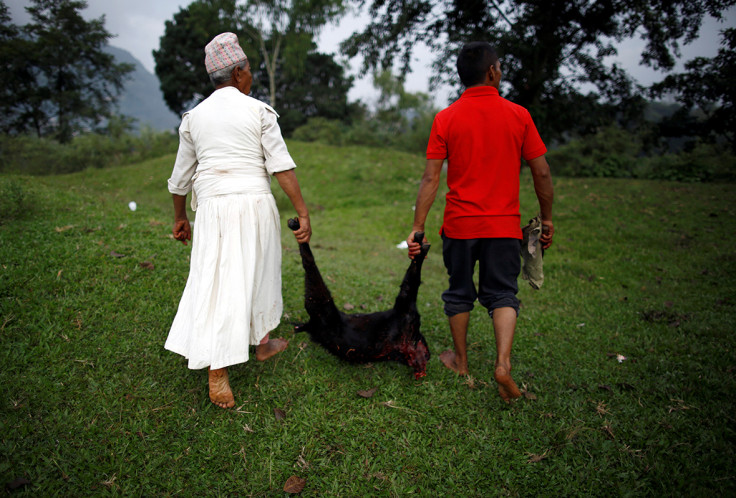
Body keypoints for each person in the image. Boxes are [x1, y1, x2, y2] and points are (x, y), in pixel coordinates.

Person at [165, 32, 311, 409]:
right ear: (240, 73)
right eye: (249, 70)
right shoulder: (258, 111)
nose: (251, 77)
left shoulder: (193, 118)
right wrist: (303, 211)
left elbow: (180, 178)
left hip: (212, 208)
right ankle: (217, 369)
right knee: (253, 271)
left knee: (219, 275)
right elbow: (281, 167)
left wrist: (181, 218)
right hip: (254, 204)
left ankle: (260, 342)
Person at [406, 41, 554, 402]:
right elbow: (542, 172)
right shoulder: (518, 115)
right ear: (492, 72)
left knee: (459, 294)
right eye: (499, 66)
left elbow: (430, 180)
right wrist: (546, 218)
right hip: (503, 228)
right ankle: (502, 364)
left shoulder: (446, 117)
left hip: (460, 226)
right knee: (503, 293)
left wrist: (418, 228)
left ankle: (461, 360)